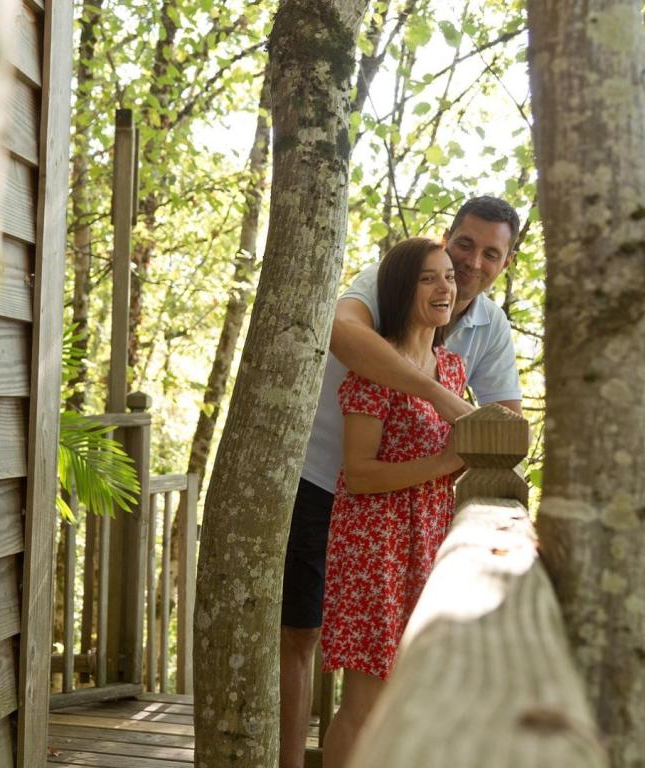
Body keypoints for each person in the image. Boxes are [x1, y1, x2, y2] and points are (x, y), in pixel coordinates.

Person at [279, 196, 523, 768]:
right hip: (326, 484)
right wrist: (444, 407)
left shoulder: (482, 331)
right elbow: (343, 335)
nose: (471, 263)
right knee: (302, 635)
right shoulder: (391, 278)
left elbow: (505, 425)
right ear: (446, 238)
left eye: (491, 254)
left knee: (400, 683)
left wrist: (475, 446)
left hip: (418, 528)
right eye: (464, 245)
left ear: (506, 262)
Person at [320, 237, 465, 767]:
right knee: (367, 702)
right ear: (402, 289)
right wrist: (445, 463)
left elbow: (455, 458)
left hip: (428, 542)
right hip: (374, 547)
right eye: (428, 278)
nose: (444, 287)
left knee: (410, 695)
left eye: (449, 276)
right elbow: (359, 475)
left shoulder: (452, 369)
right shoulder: (376, 367)